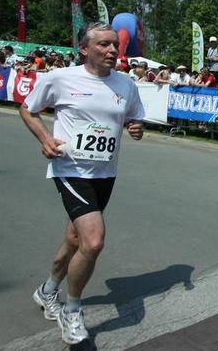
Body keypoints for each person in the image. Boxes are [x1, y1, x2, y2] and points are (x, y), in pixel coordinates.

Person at [20, 22, 144, 345]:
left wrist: (134, 127)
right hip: (70, 168)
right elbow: (27, 109)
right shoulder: (60, 78)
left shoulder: (126, 85)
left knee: (75, 238)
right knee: (93, 240)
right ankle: (71, 310)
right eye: (103, 44)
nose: (112, 51)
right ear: (84, 49)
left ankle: (47, 291)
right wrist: (46, 138)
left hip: (105, 172)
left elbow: (133, 116)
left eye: (115, 45)